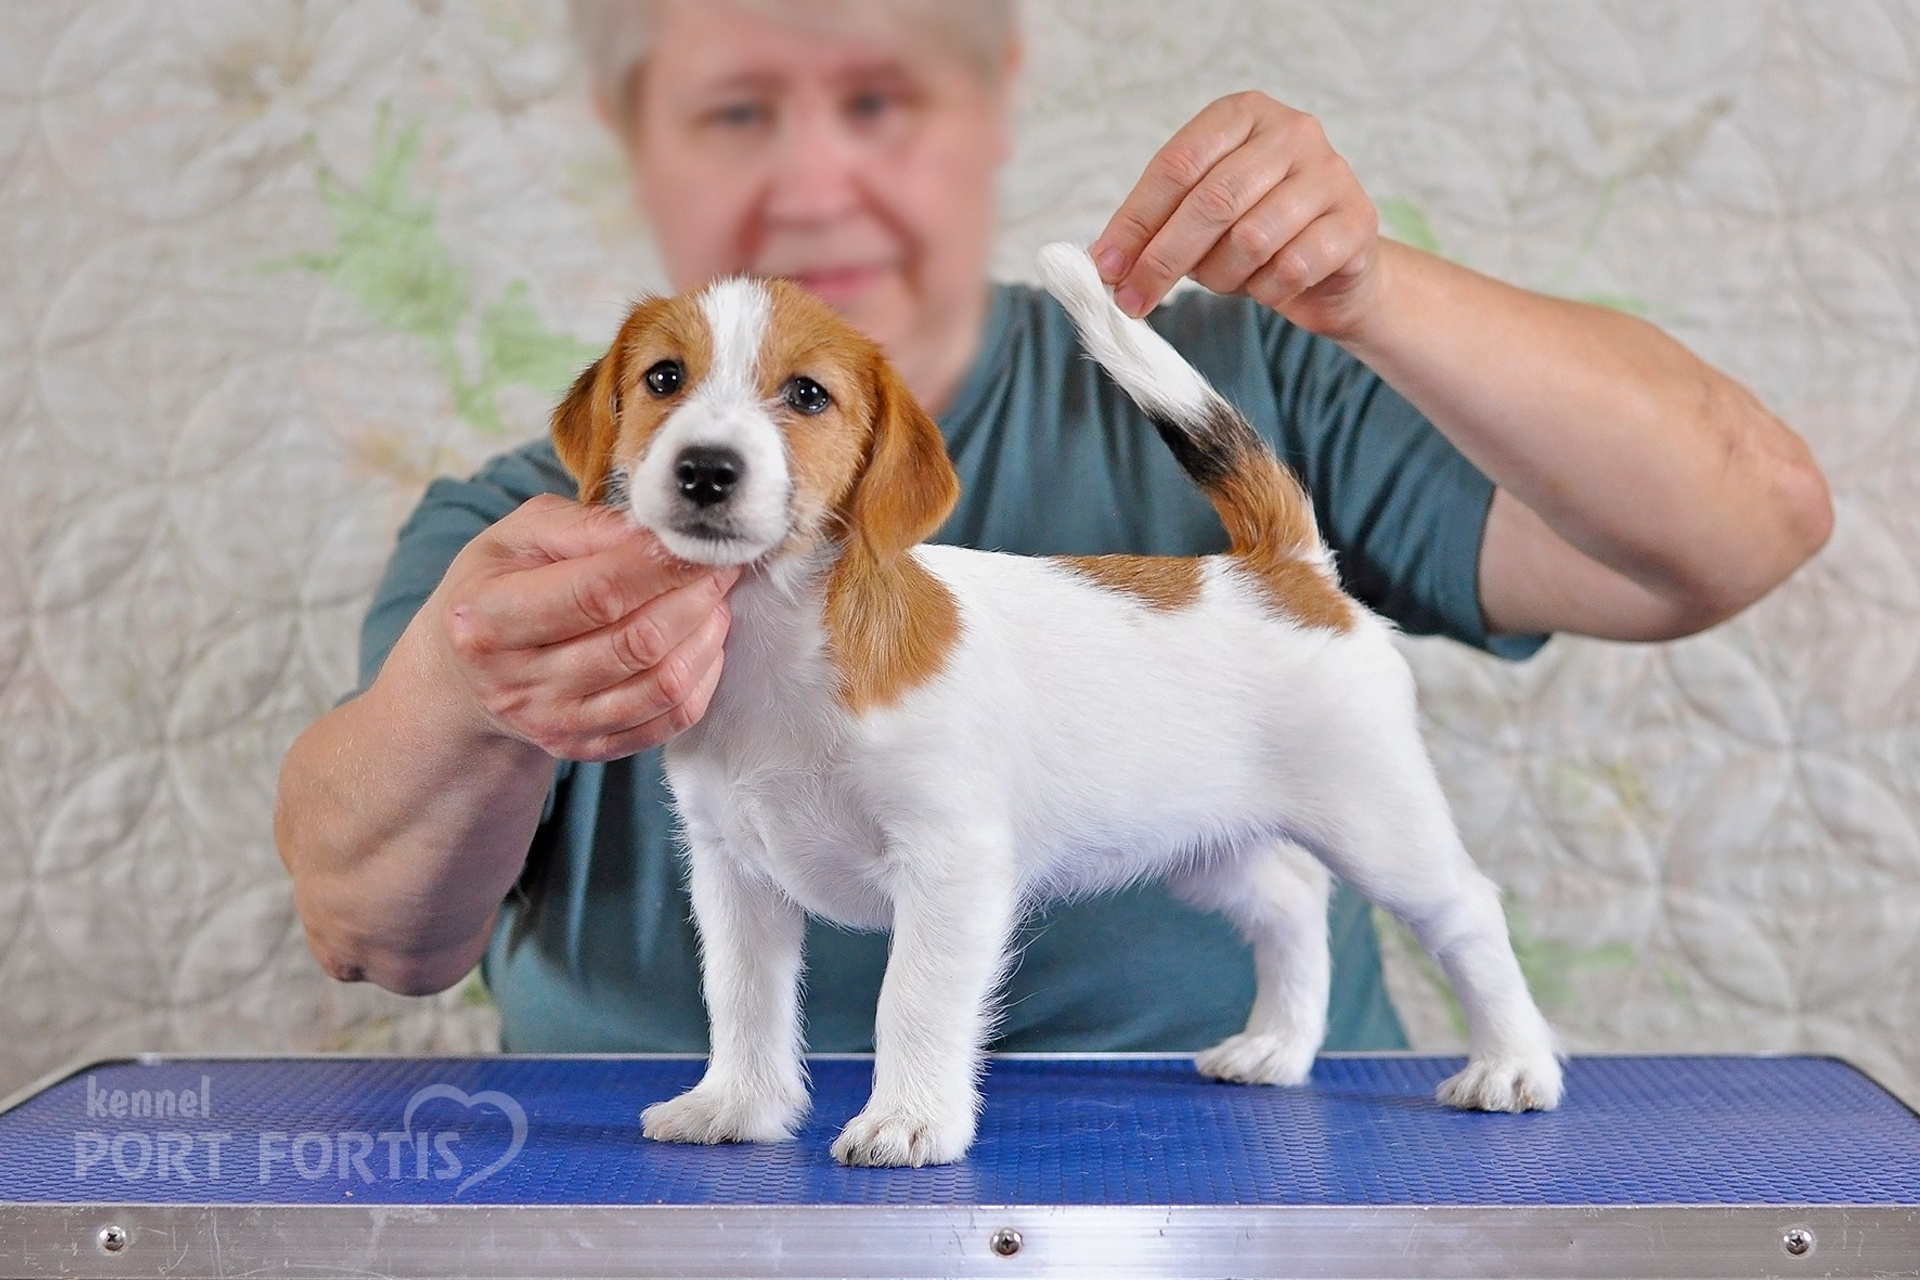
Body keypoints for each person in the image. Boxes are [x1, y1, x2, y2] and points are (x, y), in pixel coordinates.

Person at [274, 0, 1832, 1057]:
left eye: (880, 98)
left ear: (993, 105)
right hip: (676, 1227)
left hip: (1244, 1218)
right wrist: (470, 700)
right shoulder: (514, 532)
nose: (815, 175)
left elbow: (1744, 528)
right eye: (736, 109)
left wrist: (1368, 288)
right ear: (639, 138)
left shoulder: (1257, 372)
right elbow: (370, 936)